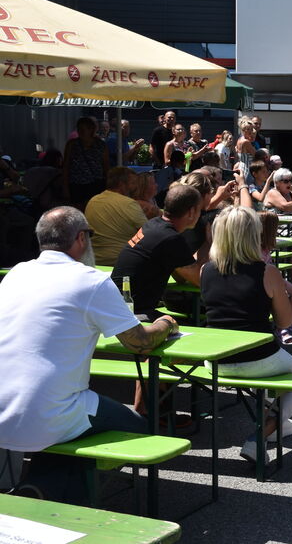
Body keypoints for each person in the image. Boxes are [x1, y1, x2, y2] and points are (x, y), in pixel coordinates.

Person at [0, 206, 177, 502]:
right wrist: (166, 323)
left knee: (71, 423)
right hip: (49, 413)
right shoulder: (91, 280)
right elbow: (139, 343)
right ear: (81, 238)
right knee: (139, 427)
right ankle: (50, 488)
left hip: (4, 408)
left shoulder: (15, 274)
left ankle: (41, 484)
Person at [200, 206, 292, 463]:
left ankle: (278, 425)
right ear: (253, 235)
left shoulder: (206, 270)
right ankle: (259, 437)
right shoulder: (266, 271)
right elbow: (284, 322)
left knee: (265, 387)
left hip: (216, 360)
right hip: (258, 357)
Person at [110, 185, 204, 319]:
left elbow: (181, 277)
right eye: (200, 210)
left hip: (117, 308)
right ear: (191, 212)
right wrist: (209, 241)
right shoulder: (170, 238)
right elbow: (198, 281)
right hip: (132, 313)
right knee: (185, 327)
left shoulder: (153, 224)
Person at [258, 211, 292, 344]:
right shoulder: (256, 247)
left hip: (271, 276)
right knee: (277, 294)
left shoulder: (266, 246)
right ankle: (282, 327)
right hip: (261, 278)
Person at [84, 167, 147, 266]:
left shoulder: (93, 201)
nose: (136, 187)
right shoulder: (128, 203)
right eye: (133, 183)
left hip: (96, 260)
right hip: (121, 261)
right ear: (121, 185)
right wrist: (132, 243)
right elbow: (148, 233)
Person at [62, 116, 109, 209]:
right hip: (76, 183)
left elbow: (106, 167)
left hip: (96, 184)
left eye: (84, 129)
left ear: (91, 129)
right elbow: (66, 166)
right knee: (78, 209)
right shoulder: (72, 144)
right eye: (79, 129)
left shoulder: (101, 145)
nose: (81, 132)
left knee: (94, 208)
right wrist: (65, 187)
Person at [236, 116, 258, 183]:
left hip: (241, 167)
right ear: (243, 130)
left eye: (251, 129)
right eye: (248, 129)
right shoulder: (246, 142)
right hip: (247, 170)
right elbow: (256, 155)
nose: (250, 131)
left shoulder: (239, 139)